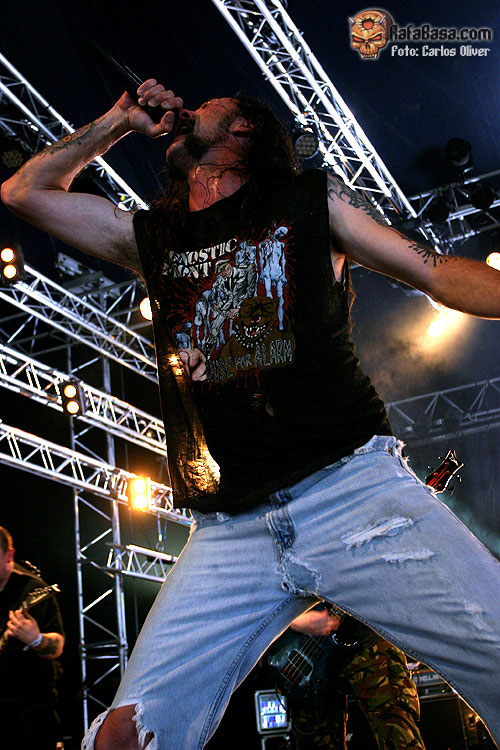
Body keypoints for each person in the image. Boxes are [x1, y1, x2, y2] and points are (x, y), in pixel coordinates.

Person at [2, 78, 500, 750]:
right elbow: (23, 193)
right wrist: (118, 121)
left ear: (243, 131)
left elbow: (435, 272)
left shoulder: (309, 202)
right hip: (232, 527)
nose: (186, 106)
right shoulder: (157, 238)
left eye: (207, 104)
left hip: (352, 491)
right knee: (125, 735)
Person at [287, 607, 425, 749]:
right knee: (316, 739)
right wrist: (294, 621)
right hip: (307, 652)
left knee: (399, 730)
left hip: (370, 640)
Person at [0, 526, 65, 750]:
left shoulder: (32, 589)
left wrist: (36, 639)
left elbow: (57, 645)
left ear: (9, 555)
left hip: (30, 718)